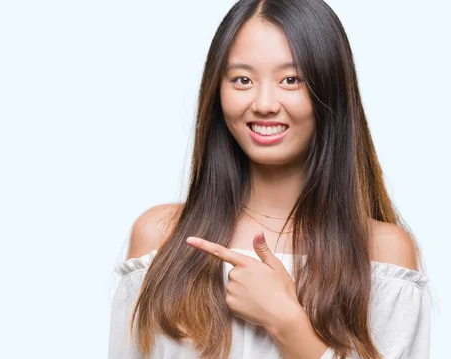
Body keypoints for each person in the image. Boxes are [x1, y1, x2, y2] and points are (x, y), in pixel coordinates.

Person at [108, 0, 431, 358]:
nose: (263, 103)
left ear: (331, 90)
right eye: (242, 79)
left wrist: (286, 322)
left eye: (291, 80)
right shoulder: (161, 238)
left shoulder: (382, 253)